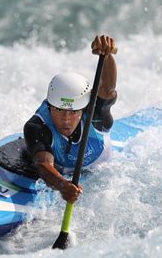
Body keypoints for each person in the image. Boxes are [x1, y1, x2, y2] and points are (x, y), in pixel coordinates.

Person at [23, 35, 117, 204]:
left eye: (73, 112)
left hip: (101, 171)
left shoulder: (96, 115)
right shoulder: (37, 127)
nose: (66, 119)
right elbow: (43, 163)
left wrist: (107, 56)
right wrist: (62, 185)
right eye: (59, 110)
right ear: (49, 106)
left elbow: (108, 88)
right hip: (62, 178)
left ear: (83, 109)